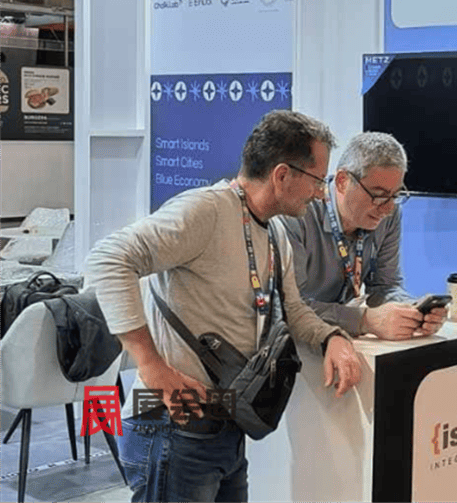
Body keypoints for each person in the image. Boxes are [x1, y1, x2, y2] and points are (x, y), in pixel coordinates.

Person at [85, 110, 362, 503]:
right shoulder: (206, 210)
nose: (320, 193)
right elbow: (109, 260)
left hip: (226, 428)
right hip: (171, 427)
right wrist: (151, 365)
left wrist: (332, 337)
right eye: (318, 180)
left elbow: (295, 311)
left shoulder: (274, 231)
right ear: (282, 175)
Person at [278, 132, 448, 341]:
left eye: (395, 195)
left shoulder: (389, 214)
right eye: (378, 195)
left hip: (340, 339)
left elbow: (385, 286)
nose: (387, 208)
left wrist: (412, 311)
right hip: (294, 343)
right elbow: (290, 308)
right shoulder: (297, 213)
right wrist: (364, 320)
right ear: (342, 181)